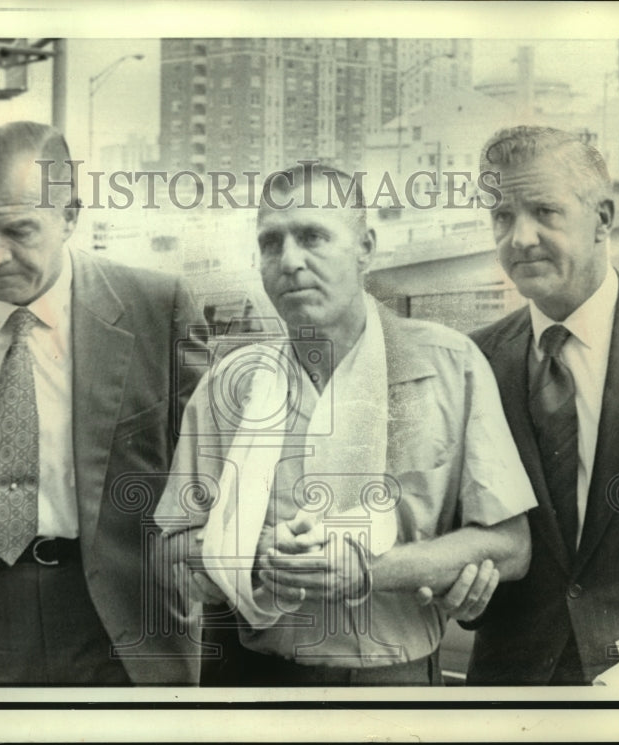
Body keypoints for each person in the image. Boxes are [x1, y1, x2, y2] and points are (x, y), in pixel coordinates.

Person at [155, 163, 536, 686]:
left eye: (313, 236)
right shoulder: (231, 387)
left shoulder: (450, 366)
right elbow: (171, 546)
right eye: (271, 243)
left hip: (393, 683)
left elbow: (511, 545)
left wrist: (369, 570)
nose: (290, 261)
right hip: (254, 678)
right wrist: (251, 553)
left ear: (365, 248)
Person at [0, 121, 206, 686]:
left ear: (70, 218)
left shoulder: (157, 307)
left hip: (118, 616)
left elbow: (208, 468)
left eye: (18, 231)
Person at [465, 126, 619, 685]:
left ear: (602, 218)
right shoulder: (472, 361)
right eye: (502, 216)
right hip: (512, 688)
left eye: (544, 211)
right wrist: (460, 592)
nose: (520, 237)